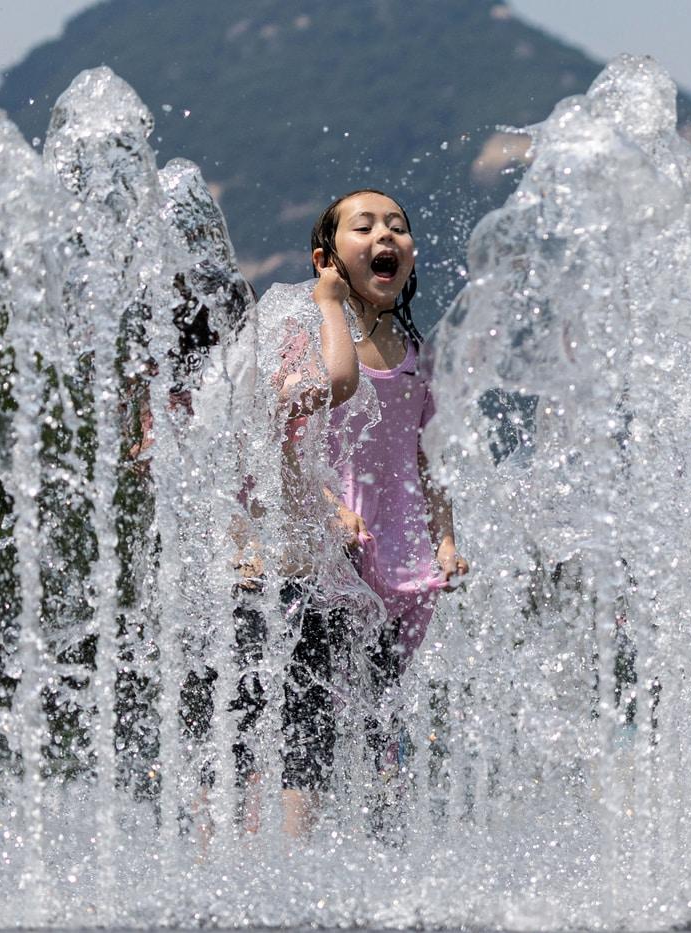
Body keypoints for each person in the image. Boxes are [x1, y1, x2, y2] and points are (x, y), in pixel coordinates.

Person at [269, 188, 470, 837]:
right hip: (334, 555)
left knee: (381, 714)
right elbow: (288, 441)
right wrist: (327, 508)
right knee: (315, 715)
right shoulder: (316, 338)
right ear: (326, 259)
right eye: (367, 226)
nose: (387, 235)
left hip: (403, 557)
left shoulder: (417, 352)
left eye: (398, 226)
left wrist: (446, 538)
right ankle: (296, 858)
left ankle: (379, 852)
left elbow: (429, 457)